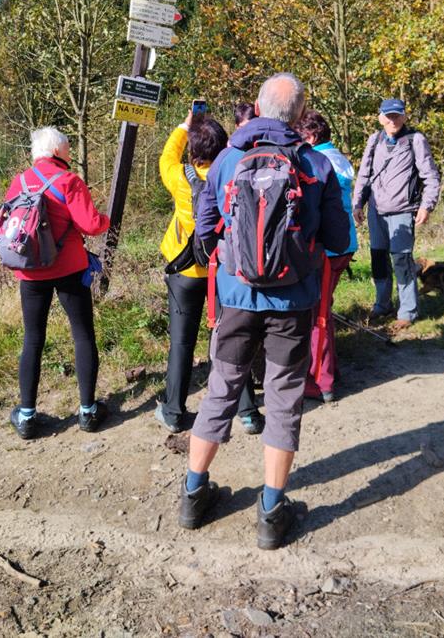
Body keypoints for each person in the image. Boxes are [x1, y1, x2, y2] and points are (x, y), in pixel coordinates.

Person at [178, 74, 350, 549]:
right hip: (292, 303)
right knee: (283, 395)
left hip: (234, 299)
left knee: (221, 388)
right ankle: (272, 512)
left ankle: (194, 496)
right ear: (299, 114)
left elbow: (205, 231)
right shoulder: (315, 164)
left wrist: (235, 259)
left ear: (256, 107)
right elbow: (337, 238)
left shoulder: (228, 160)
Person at [157, 110, 264, 435]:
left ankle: (174, 412)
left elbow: (166, 156)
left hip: (186, 270)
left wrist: (184, 125)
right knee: (234, 340)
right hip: (225, 272)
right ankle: (247, 413)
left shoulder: (179, 177)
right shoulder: (232, 174)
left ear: (193, 152)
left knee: (181, 342)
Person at [5, 127, 111, 440]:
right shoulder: (69, 181)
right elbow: (91, 225)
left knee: (33, 338)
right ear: (57, 152)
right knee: (82, 334)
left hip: (30, 271)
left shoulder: (19, 181)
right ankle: (88, 412)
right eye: (66, 149)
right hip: (68, 270)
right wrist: (107, 220)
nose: (69, 154)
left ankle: (26, 416)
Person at [352, 98, 441, 331]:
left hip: (403, 211)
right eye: (388, 116)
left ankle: (407, 312)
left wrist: (426, 206)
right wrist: (357, 203)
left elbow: (430, 177)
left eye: (397, 115)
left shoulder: (415, 140)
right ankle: (382, 305)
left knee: (401, 259)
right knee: (378, 258)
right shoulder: (374, 140)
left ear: (404, 116)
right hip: (376, 211)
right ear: (380, 117)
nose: (393, 120)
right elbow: (364, 174)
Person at [294, 109, 357, 403]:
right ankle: (330, 370)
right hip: (344, 245)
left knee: (318, 315)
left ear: (311, 135)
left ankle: (322, 381)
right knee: (324, 310)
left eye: (299, 135)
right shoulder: (338, 157)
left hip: (328, 249)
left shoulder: (317, 161)